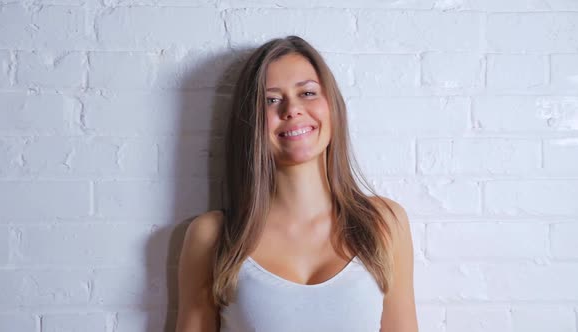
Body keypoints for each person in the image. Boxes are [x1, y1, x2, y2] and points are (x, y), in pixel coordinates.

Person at [176, 35, 418, 332]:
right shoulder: (212, 236)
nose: (291, 109)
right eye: (271, 100)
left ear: (332, 106)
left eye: (307, 93)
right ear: (251, 121)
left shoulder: (384, 223)